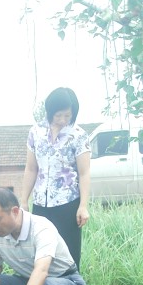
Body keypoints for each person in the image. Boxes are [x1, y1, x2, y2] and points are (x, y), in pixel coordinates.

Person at [22, 87, 91, 270]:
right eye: (58, 115)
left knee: (69, 254)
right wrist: (24, 201)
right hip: (40, 204)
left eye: (67, 115)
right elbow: (31, 168)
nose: (62, 120)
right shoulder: (35, 132)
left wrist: (83, 206)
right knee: (41, 252)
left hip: (67, 203)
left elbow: (84, 173)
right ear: (50, 111)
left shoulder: (78, 135)